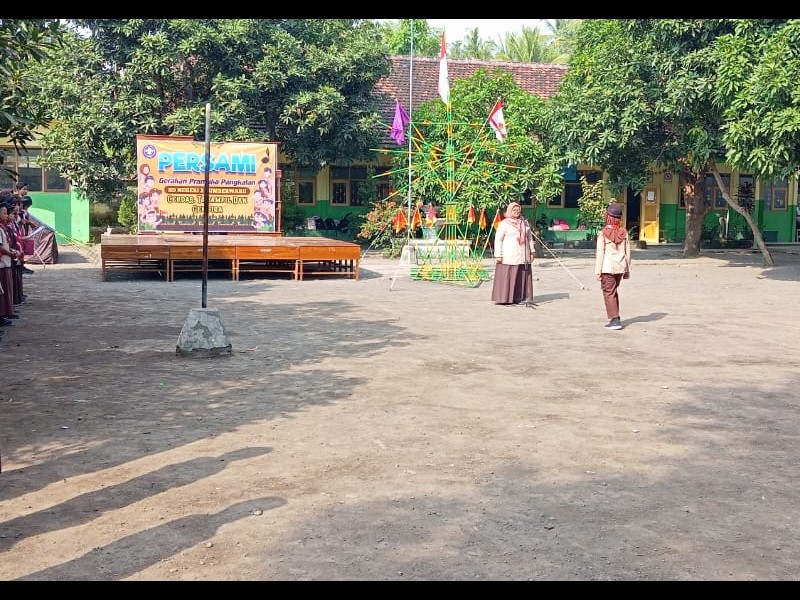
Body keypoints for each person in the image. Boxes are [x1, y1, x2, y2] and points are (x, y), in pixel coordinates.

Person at [594, 203, 631, 330]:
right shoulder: (624, 232)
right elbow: (627, 253)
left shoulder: (603, 233)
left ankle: (615, 320)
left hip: (607, 268)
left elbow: (600, 254)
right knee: (613, 292)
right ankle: (616, 317)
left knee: (609, 293)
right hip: (620, 267)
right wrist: (627, 270)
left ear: (608, 217)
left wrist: (598, 271)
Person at [491, 201, 535, 305]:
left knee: (521, 276)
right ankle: (505, 299)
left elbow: (529, 238)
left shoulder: (524, 223)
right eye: (514, 210)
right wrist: (498, 254)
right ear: (509, 211)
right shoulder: (504, 224)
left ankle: (521, 298)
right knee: (509, 276)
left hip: (523, 254)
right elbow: (498, 239)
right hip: (509, 254)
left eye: (518, 210)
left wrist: (532, 252)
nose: (516, 212)